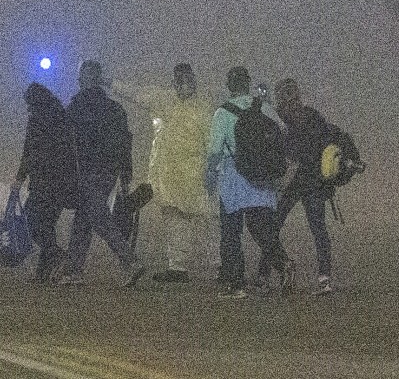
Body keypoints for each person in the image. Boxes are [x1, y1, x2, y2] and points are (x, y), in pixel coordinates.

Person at [112, 63, 213, 284]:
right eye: (180, 79)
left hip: (191, 176)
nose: (184, 83)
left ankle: (220, 264)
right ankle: (178, 267)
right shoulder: (165, 100)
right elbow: (136, 93)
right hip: (170, 177)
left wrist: (212, 171)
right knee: (177, 220)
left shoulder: (201, 108)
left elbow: (211, 143)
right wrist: (111, 83)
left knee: (203, 221)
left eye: (187, 79)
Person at [205, 66, 293, 299]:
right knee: (261, 228)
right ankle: (283, 263)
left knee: (231, 232)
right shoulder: (265, 107)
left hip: (234, 177)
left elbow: (214, 151)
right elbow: (282, 134)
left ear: (229, 86)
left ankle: (235, 283)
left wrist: (209, 174)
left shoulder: (222, 113)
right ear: (248, 83)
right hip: (262, 177)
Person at [61, 60, 146, 288]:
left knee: (98, 217)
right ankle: (73, 270)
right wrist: (126, 173)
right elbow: (125, 143)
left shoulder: (76, 107)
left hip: (86, 170)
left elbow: (66, 143)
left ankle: (129, 260)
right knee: (85, 216)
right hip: (110, 172)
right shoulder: (116, 109)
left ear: (83, 79)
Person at [274, 78, 338, 295]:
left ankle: (266, 273)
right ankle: (324, 278)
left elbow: (284, 152)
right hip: (314, 182)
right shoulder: (313, 116)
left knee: (273, 226)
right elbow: (327, 146)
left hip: (292, 182)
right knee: (318, 229)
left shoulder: (280, 119)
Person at [12, 83, 78, 283]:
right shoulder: (62, 117)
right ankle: (42, 274)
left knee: (31, 223)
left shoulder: (37, 120)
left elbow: (29, 151)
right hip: (63, 182)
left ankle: (57, 255)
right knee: (47, 226)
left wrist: (19, 178)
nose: (27, 108)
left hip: (43, 182)